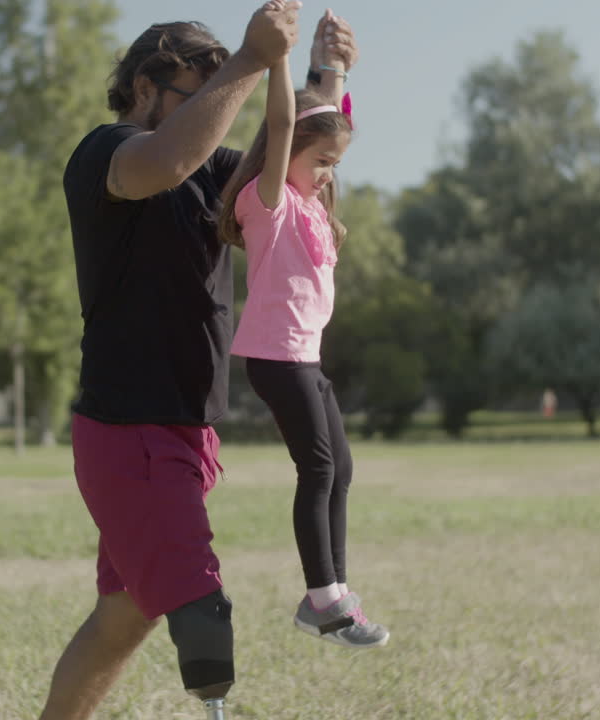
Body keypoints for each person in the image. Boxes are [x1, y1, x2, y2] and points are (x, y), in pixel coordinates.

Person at [47, 4, 360, 719]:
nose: (219, 116)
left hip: (187, 432)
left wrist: (325, 71)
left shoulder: (216, 174)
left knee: (123, 618)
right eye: (202, 93)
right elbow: (165, 162)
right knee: (201, 615)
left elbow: (294, 145)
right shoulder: (109, 156)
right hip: (130, 434)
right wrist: (251, 60)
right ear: (145, 84)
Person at [217, 18, 388, 650]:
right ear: (287, 156)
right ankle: (323, 601)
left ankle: (334, 591)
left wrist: (334, 68)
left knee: (339, 466)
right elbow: (289, 126)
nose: (327, 175)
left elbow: (324, 123)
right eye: (321, 164)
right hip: (275, 357)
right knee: (316, 467)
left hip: (304, 359)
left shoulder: (312, 203)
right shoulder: (269, 202)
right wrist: (280, 59)